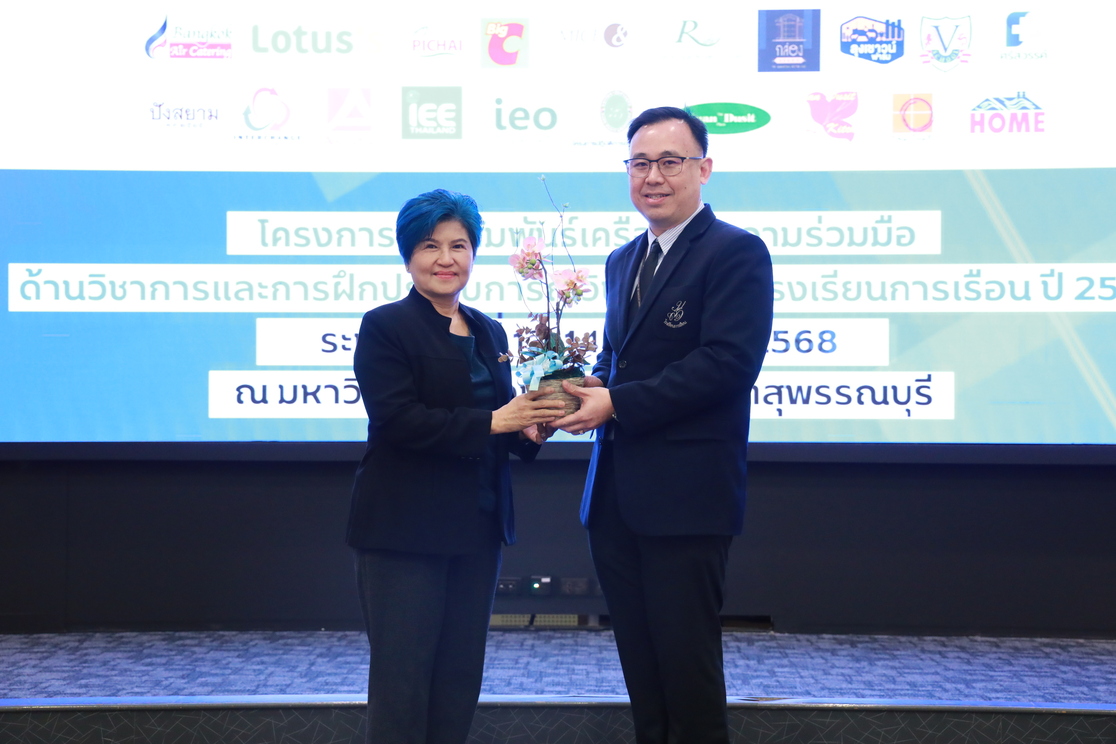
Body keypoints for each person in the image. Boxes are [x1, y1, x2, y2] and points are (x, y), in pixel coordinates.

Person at [554, 107, 774, 743]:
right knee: (643, 672)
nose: (653, 176)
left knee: (686, 669)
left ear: (704, 169)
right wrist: (583, 390)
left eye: (670, 162)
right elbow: (617, 359)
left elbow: (727, 365)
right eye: (640, 163)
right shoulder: (623, 259)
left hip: (686, 499)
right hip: (615, 498)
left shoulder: (735, 252)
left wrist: (616, 404)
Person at [347, 188, 565, 744]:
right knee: (403, 683)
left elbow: (501, 419)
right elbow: (399, 421)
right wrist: (496, 420)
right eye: (430, 245)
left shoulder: (489, 330)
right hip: (405, 530)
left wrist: (536, 423)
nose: (446, 259)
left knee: (459, 678)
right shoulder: (386, 326)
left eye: (459, 245)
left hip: (478, 527)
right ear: (408, 256)